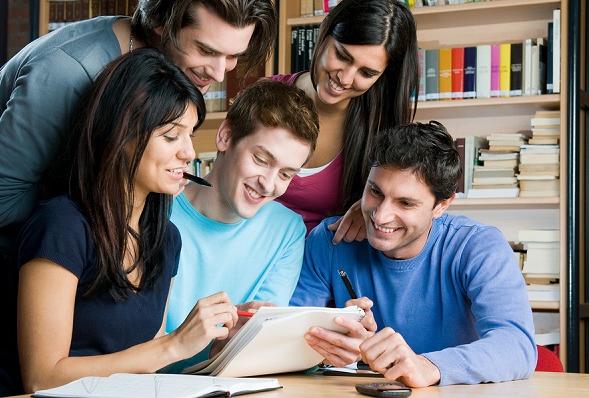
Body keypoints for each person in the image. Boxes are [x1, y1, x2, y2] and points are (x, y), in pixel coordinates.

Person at [0, 1, 276, 392]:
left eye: (233, 57)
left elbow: (144, 361)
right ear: (160, 22)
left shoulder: (161, 235)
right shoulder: (67, 74)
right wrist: (88, 222)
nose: (219, 72)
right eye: (207, 50)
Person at [290, 121, 537, 387]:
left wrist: (429, 366)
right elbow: (291, 335)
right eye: (375, 192)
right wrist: (331, 346)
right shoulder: (330, 240)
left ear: (442, 205)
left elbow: (517, 345)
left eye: (405, 203)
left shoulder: (478, 246)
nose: (380, 215)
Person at [163, 79, 319, 372]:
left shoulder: (287, 231)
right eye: (261, 160)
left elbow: (255, 349)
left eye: (286, 174)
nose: (268, 184)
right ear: (225, 136)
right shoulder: (157, 211)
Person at [269, 0, 419, 241]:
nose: (346, 78)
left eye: (366, 73)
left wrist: (371, 207)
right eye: (341, 55)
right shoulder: (266, 95)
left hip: (323, 263)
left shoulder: (381, 132)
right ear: (325, 31)